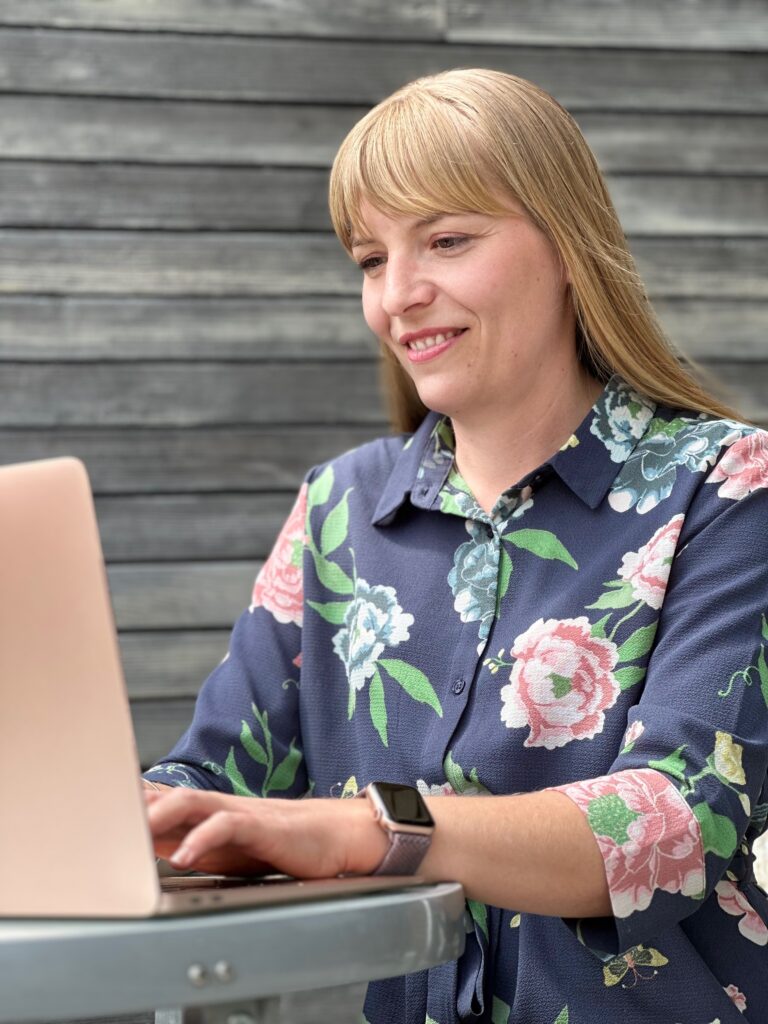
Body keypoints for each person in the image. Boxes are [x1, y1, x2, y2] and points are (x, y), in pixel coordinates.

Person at [143, 69, 768, 1023]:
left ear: (568, 245)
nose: (398, 295)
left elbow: (681, 821)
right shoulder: (337, 507)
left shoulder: (731, 486)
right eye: (370, 258)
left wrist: (373, 830)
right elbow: (213, 781)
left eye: (446, 241)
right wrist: (117, 816)